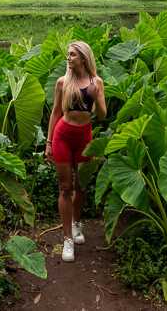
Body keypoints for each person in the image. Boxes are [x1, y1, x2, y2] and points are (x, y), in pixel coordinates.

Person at [45, 41, 106, 262]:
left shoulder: (96, 82)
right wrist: (49, 142)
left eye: (72, 55)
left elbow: (101, 115)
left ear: (83, 58)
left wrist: (96, 94)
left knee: (81, 187)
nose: (68, 58)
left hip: (84, 137)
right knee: (65, 187)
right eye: (67, 55)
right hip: (62, 135)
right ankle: (68, 239)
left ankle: (76, 223)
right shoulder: (62, 82)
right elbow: (54, 113)